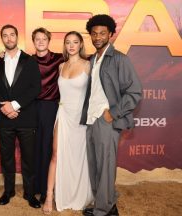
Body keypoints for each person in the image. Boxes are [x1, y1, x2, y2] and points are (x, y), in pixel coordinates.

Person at [81, 15, 142, 216]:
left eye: (102, 33)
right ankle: (104, 203)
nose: (98, 37)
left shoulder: (119, 59)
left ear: (111, 34)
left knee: (105, 167)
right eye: (94, 33)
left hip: (106, 120)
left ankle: (103, 210)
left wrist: (113, 114)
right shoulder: (92, 59)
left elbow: (135, 91)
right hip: (91, 119)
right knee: (95, 166)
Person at [0, 24, 41, 209]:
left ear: (17, 37)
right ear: (2, 39)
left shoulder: (30, 60)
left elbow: (35, 87)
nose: (9, 38)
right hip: (5, 118)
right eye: (5, 35)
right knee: (7, 158)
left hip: (26, 117)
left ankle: (29, 193)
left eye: (12, 35)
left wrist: (15, 105)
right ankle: (8, 191)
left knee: (29, 158)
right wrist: (4, 108)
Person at [42, 31, 93, 214]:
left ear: (81, 45)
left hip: (80, 119)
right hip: (62, 115)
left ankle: (77, 194)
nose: (71, 45)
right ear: (64, 45)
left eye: (75, 42)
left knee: (80, 158)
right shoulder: (61, 66)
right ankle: (49, 197)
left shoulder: (89, 65)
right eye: (68, 42)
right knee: (55, 155)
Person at [31, 27, 64, 204]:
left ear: (49, 41)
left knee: (47, 148)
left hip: (50, 107)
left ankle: (45, 189)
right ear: (33, 41)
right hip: (31, 107)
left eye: (44, 39)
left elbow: (81, 58)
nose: (41, 41)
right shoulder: (28, 60)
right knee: (33, 147)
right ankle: (34, 187)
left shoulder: (59, 58)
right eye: (37, 39)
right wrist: (0, 55)